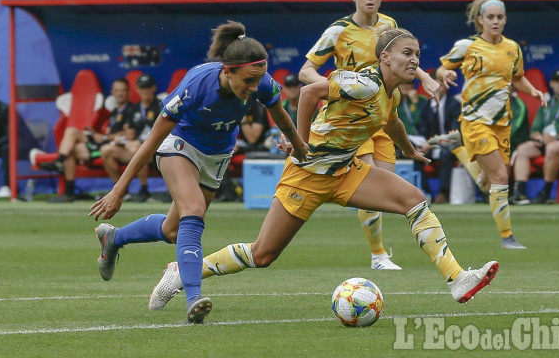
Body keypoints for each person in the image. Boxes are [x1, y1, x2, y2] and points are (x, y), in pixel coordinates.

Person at [145, 28, 499, 315]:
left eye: (417, 54)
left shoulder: (391, 95)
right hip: (308, 174)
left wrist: (409, 150)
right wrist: (300, 143)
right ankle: (181, 272)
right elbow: (311, 91)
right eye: (407, 53)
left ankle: (457, 278)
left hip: (345, 170)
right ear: (385, 57)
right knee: (263, 254)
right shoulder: (365, 83)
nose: (415, 60)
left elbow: (390, 122)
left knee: (413, 199)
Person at [88, 21, 309, 324]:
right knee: (194, 212)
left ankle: (114, 239)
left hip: (217, 155)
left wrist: (298, 145)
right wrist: (118, 190)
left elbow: (280, 114)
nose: (254, 88)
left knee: (173, 230)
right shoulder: (196, 85)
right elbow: (151, 141)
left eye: (258, 81)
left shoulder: (262, 81)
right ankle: (194, 299)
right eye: (248, 81)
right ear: (227, 70)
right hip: (180, 145)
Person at [297, 0, 443, 270]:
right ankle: (378, 255)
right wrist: (335, 87)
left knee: (384, 187)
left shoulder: (389, 25)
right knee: (367, 175)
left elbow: (404, 57)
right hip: (353, 120)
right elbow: (305, 72)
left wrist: (426, 77)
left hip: (384, 115)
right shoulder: (338, 31)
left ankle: (384, 251)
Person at [431, 0, 546, 249]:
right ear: (480, 20)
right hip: (474, 120)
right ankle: (508, 237)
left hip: (501, 123)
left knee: (487, 181)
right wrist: (444, 73)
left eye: (500, 17)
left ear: (505, 20)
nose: (495, 21)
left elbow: (517, 78)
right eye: (490, 17)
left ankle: (458, 149)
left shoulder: (512, 48)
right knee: (501, 175)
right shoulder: (467, 45)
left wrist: (534, 91)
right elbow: (441, 68)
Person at [40, 78, 136, 202]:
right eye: (117, 91)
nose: (120, 94)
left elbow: (129, 134)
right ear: (112, 92)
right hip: (102, 143)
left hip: (110, 147)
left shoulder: (132, 110)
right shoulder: (114, 112)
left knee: (72, 135)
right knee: (72, 138)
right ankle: (68, 190)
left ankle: (60, 162)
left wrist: (105, 137)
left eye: (123, 90)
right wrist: (95, 133)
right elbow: (109, 133)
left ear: (128, 92)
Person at [510, 70, 559, 205]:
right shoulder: (547, 103)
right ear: (551, 84)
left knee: (552, 148)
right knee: (523, 149)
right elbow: (534, 129)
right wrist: (538, 137)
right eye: (557, 82)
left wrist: (556, 137)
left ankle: (545, 192)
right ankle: (519, 192)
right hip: (544, 142)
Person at [100, 73, 161, 203]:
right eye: (142, 88)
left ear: (153, 88)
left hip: (156, 149)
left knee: (139, 149)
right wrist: (123, 139)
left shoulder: (161, 106)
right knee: (106, 150)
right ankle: (121, 191)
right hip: (135, 147)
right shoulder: (134, 108)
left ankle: (144, 190)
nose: (145, 91)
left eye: (148, 87)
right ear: (138, 89)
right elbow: (130, 132)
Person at [417, 82, 460, 203]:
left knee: (445, 153)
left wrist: (432, 144)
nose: (435, 88)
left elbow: (454, 134)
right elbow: (422, 129)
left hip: (451, 145)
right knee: (416, 154)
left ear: (446, 87)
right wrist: (421, 144)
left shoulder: (455, 105)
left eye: (439, 85)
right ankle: (426, 193)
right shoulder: (426, 106)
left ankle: (443, 192)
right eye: (432, 84)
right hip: (429, 147)